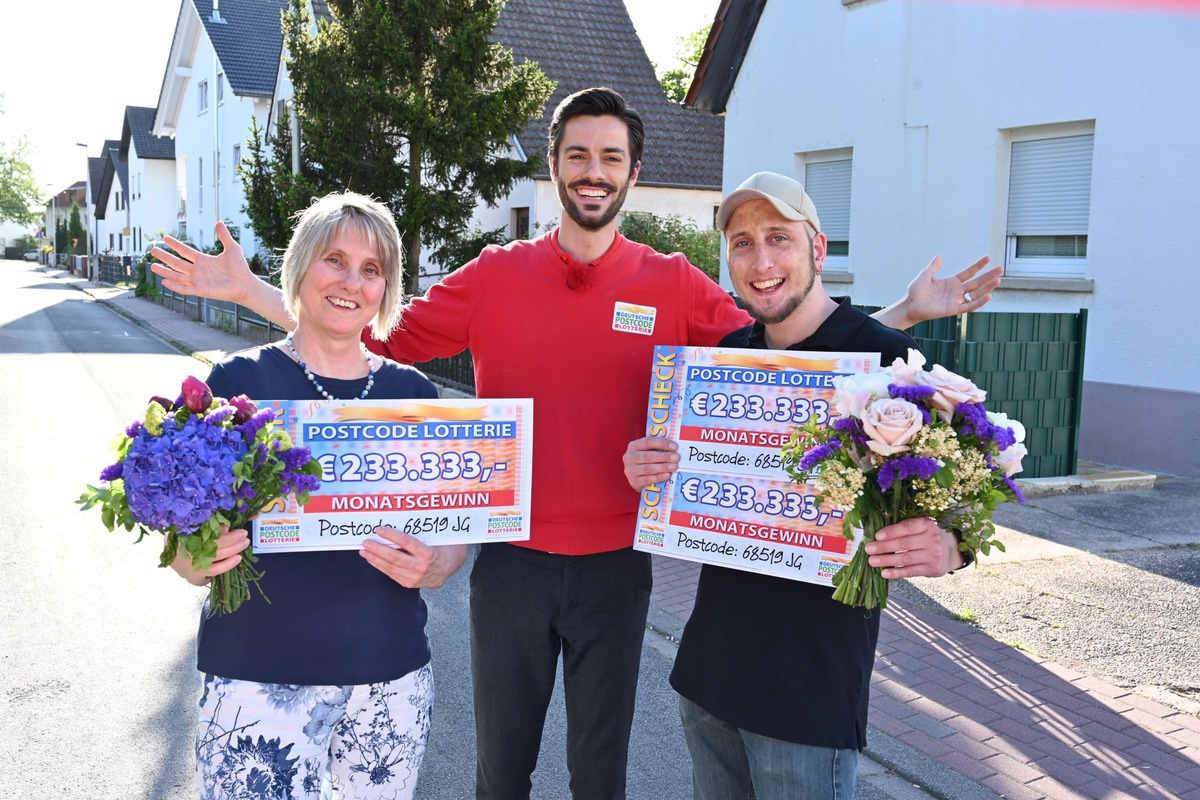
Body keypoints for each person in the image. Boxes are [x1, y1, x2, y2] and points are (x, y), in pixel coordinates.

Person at [151, 88, 999, 799]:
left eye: (612, 158)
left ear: (633, 172)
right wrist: (262, 291)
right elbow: (358, 333)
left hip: (617, 569)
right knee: (501, 773)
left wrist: (903, 317)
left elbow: (785, 361)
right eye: (579, 154)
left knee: (600, 773)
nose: (595, 172)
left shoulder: (671, 280)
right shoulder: (492, 275)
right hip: (511, 565)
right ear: (553, 163)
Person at [622, 172, 970, 799]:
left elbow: (969, 488)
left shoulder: (889, 362)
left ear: (819, 248)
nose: (760, 261)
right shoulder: (726, 357)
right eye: (742, 243)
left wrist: (951, 547)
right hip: (709, 679)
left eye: (778, 238)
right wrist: (646, 469)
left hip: (809, 698)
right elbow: (683, 476)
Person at [167, 192, 467, 800]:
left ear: (386, 289)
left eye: (372, 269)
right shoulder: (233, 384)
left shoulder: (412, 393)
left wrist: (440, 563)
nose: (350, 281)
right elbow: (182, 535)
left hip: (388, 679)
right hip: (256, 675)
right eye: (335, 259)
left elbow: (449, 529)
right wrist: (193, 560)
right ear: (302, 265)